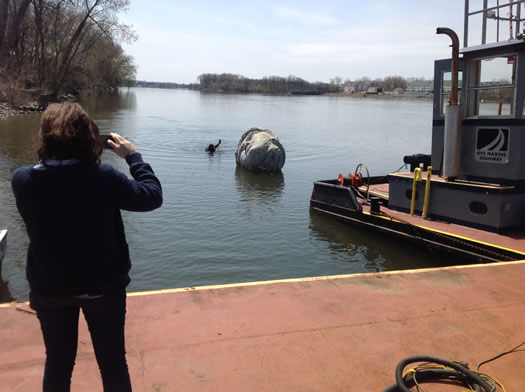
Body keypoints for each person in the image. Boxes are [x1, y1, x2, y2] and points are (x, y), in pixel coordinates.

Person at [11, 102, 162, 392]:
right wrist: (133, 157)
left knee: (57, 363)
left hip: (49, 289)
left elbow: (59, 182)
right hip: (102, 288)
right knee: (113, 363)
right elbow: (151, 196)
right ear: (90, 139)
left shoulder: (22, 180)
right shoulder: (103, 178)